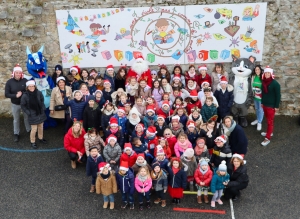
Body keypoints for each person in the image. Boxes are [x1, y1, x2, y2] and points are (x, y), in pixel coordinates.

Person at [5, 64, 30, 142]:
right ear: (14, 73)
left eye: (19, 72)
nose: (18, 74)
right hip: (15, 104)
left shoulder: (25, 81)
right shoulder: (9, 82)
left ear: (21, 73)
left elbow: (29, 90)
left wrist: (23, 93)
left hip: (25, 104)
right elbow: (6, 94)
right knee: (16, 119)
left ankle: (29, 130)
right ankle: (16, 133)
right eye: (17, 72)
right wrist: (15, 95)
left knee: (27, 118)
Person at [20, 80, 47, 149]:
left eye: (33, 86)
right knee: (34, 129)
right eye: (30, 86)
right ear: (27, 87)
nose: (31, 87)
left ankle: (40, 138)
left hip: (40, 112)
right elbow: (23, 105)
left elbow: (42, 100)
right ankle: (32, 141)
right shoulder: (25, 96)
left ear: (35, 86)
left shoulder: (39, 93)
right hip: (32, 114)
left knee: (41, 127)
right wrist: (28, 112)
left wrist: (42, 107)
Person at [261, 66, 281, 146]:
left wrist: (276, 106)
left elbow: (278, 96)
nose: (267, 74)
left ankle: (267, 138)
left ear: (271, 74)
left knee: (270, 121)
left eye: (268, 73)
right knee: (267, 119)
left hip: (271, 106)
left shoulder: (275, 84)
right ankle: (270, 132)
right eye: (266, 73)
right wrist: (262, 102)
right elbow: (263, 94)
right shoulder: (263, 82)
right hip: (265, 105)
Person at [250, 65, 264, 131]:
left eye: (258, 69)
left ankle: (259, 122)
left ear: (260, 70)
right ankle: (258, 119)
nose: (257, 71)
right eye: (256, 70)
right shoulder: (253, 76)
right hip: (255, 96)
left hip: (261, 97)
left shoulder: (263, 77)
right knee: (257, 108)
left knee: (261, 110)